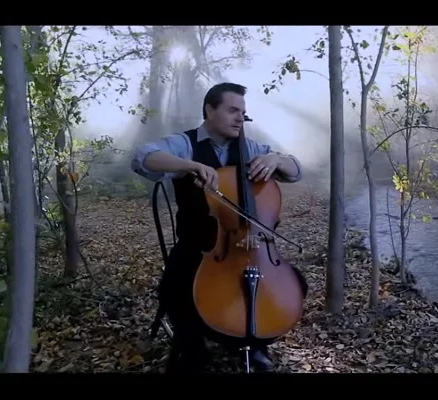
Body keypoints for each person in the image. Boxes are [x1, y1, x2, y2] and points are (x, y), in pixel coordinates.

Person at [131, 82, 307, 373]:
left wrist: (276, 159)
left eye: (243, 112)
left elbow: (296, 170)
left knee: (295, 284)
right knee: (176, 286)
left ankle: (254, 342)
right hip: (199, 245)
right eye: (232, 110)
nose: (240, 118)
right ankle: (191, 348)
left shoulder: (250, 148)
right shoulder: (186, 144)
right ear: (209, 110)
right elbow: (142, 157)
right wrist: (188, 166)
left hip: (254, 248)